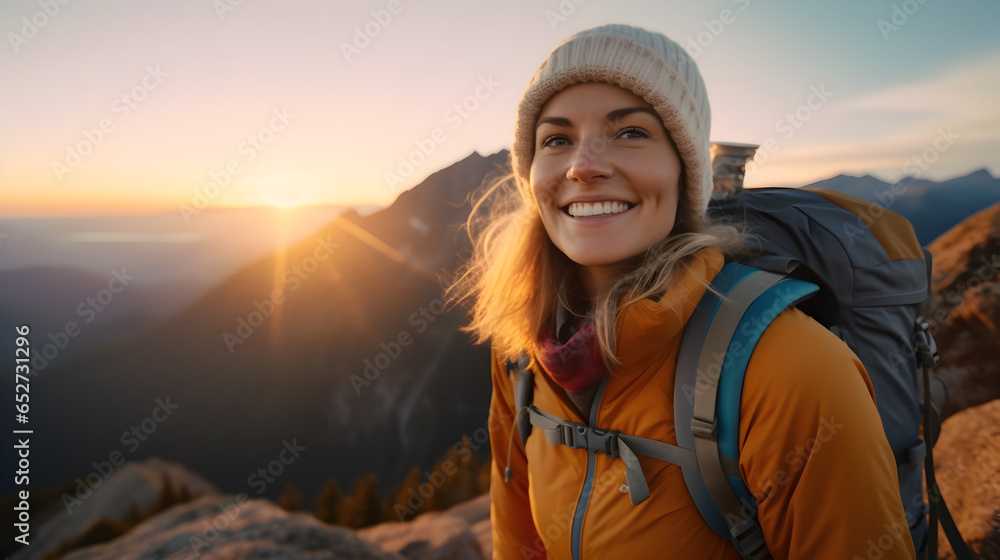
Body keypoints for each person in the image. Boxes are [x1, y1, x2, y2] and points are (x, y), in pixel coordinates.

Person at [449, 24, 915, 559]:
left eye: (631, 133)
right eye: (557, 139)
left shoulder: (793, 369)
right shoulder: (522, 345)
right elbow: (516, 537)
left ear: (685, 169)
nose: (583, 166)